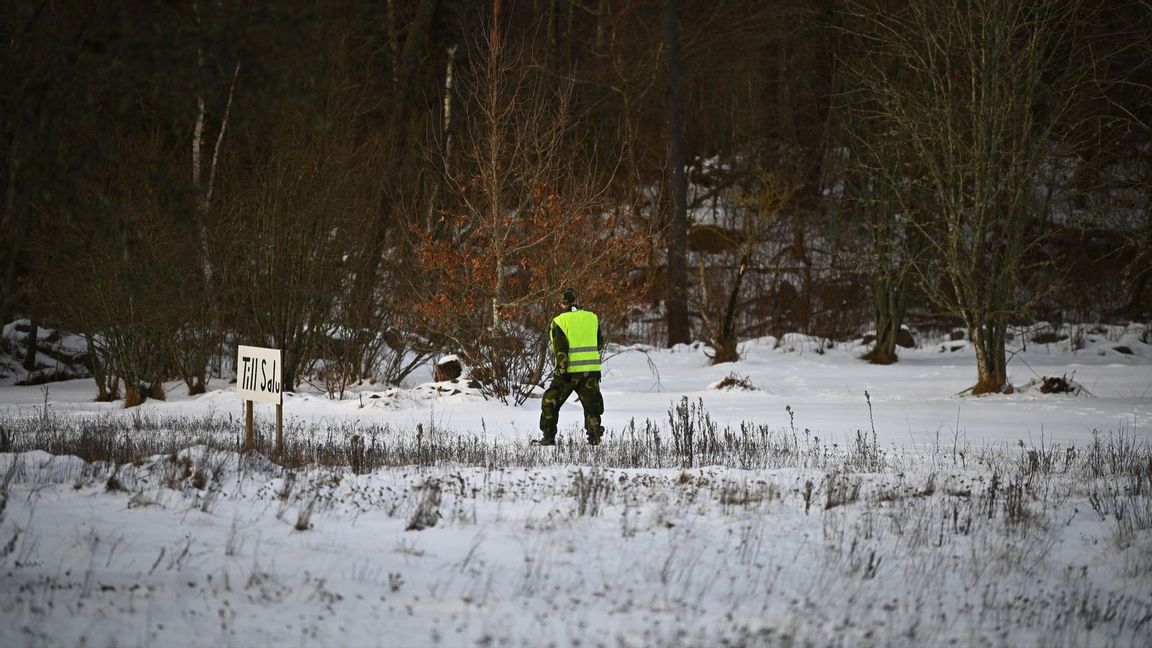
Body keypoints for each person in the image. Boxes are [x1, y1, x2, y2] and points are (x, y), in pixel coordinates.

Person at [535, 287, 605, 446]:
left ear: (561, 304)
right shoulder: (592, 318)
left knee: (550, 402)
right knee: (592, 405)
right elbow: (599, 343)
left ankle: (548, 437)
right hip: (591, 371)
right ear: (577, 301)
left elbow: (560, 350)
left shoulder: (559, 321)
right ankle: (594, 436)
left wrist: (561, 372)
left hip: (568, 373)